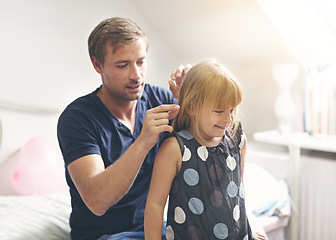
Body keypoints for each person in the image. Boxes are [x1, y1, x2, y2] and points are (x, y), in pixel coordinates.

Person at [57, 17, 190, 240]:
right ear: (98, 65)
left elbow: (203, 153)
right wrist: (143, 141)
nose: (136, 75)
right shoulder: (77, 119)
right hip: (105, 236)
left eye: (141, 62)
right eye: (123, 65)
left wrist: (190, 100)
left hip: (153, 228)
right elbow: (97, 201)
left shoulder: (161, 100)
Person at [144, 59, 266, 240]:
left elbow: (238, 192)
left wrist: (250, 227)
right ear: (191, 106)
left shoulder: (237, 141)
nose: (228, 119)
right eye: (219, 111)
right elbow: (155, 204)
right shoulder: (174, 149)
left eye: (232, 109)